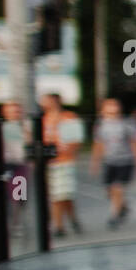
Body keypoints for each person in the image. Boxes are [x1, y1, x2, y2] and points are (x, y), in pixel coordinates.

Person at [90, 97, 136, 228]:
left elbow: (133, 143)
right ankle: (123, 206)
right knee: (109, 190)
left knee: (118, 188)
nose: (112, 107)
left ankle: (115, 215)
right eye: (108, 105)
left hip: (124, 160)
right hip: (109, 161)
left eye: (114, 104)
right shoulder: (101, 125)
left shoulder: (125, 124)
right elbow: (98, 144)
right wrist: (95, 162)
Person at [40, 93, 84, 237]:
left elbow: (75, 141)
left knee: (62, 194)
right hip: (49, 162)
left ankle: (62, 224)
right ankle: (67, 222)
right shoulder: (43, 120)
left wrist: (65, 152)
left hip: (64, 161)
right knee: (58, 195)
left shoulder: (68, 117)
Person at [0, 100, 31, 232]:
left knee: (19, 195)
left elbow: (30, 142)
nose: (14, 113)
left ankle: (17, 221)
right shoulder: (1, 127)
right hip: (6, 164)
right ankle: (10, 222)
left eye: (17, 111)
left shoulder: (26, 126)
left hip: (21, 164)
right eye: (11, 111)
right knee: (7, 195)